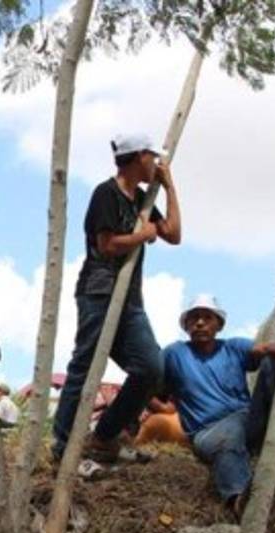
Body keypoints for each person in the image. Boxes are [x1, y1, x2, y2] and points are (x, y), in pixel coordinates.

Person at [51, 132, 181, 463]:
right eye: (152, 157)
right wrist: (142, 234)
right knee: (85, 363)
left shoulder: (142, 199)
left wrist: (169, 187)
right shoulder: (106, 193)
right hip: (100, 290)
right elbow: (106, 245)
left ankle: (105, 435)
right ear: (139, 157)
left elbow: (174, 235)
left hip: (130, 300)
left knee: (151, 368)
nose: (156, 163)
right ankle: (63, 446)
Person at [162, 295, 275, 517]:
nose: (200, 323)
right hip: (208, 430)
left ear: (218, 324)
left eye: (207, 318)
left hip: (248, 419)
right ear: (186, 325)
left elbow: (267, 349)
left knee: (271, 360)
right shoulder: (175, 353)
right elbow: (148, 383)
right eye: (194, 318)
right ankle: (239, 500)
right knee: (227, 439)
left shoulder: (233, 347)